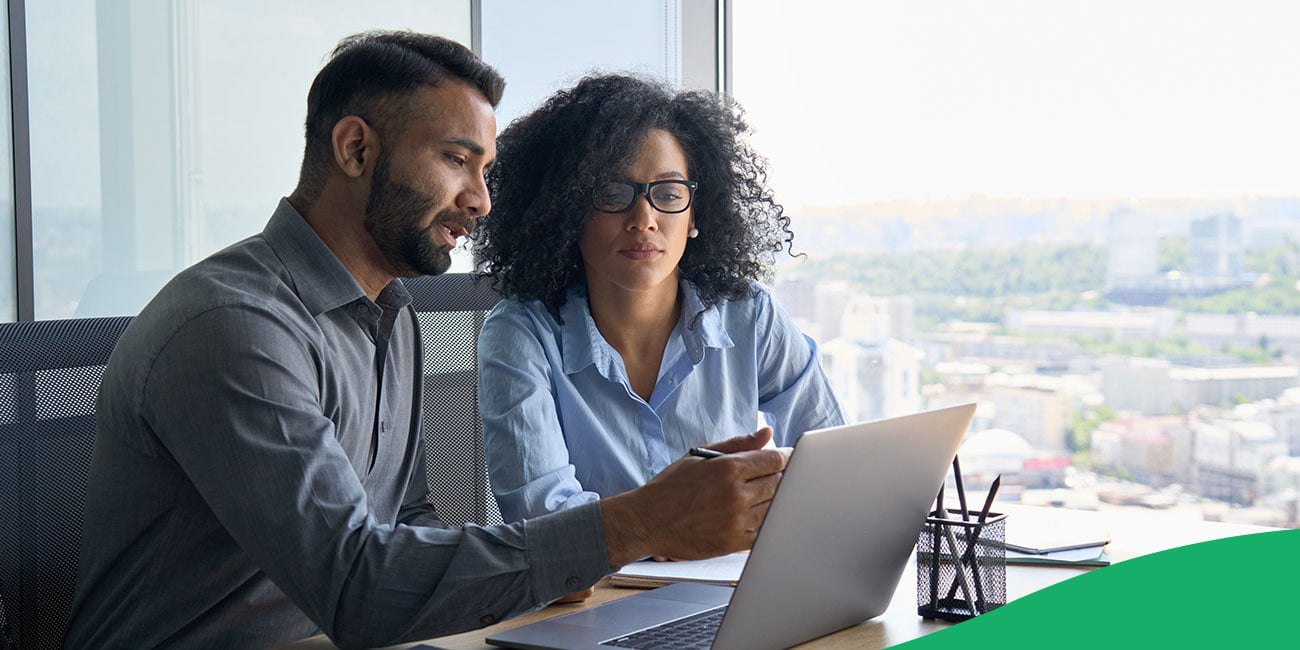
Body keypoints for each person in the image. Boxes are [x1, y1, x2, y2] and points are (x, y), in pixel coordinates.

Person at [65, 32, 789, 650]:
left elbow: (406, 525)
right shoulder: (234, 327)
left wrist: (543, 570)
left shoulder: (391, 314)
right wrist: (635, 523)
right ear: (355, 149)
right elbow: (356, 585)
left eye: (486, 171)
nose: (481, 200)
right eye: (456, 160)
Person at [474, 75, 845, 526]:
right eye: (613, 193)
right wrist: (667, 527)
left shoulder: (750, 315)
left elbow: (833, 463)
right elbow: (544, 520)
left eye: (669, 194)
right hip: (596, 594)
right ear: (568, 210)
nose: (644, 219)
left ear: (694, 215)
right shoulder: (520, 333)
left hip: (735, 583)